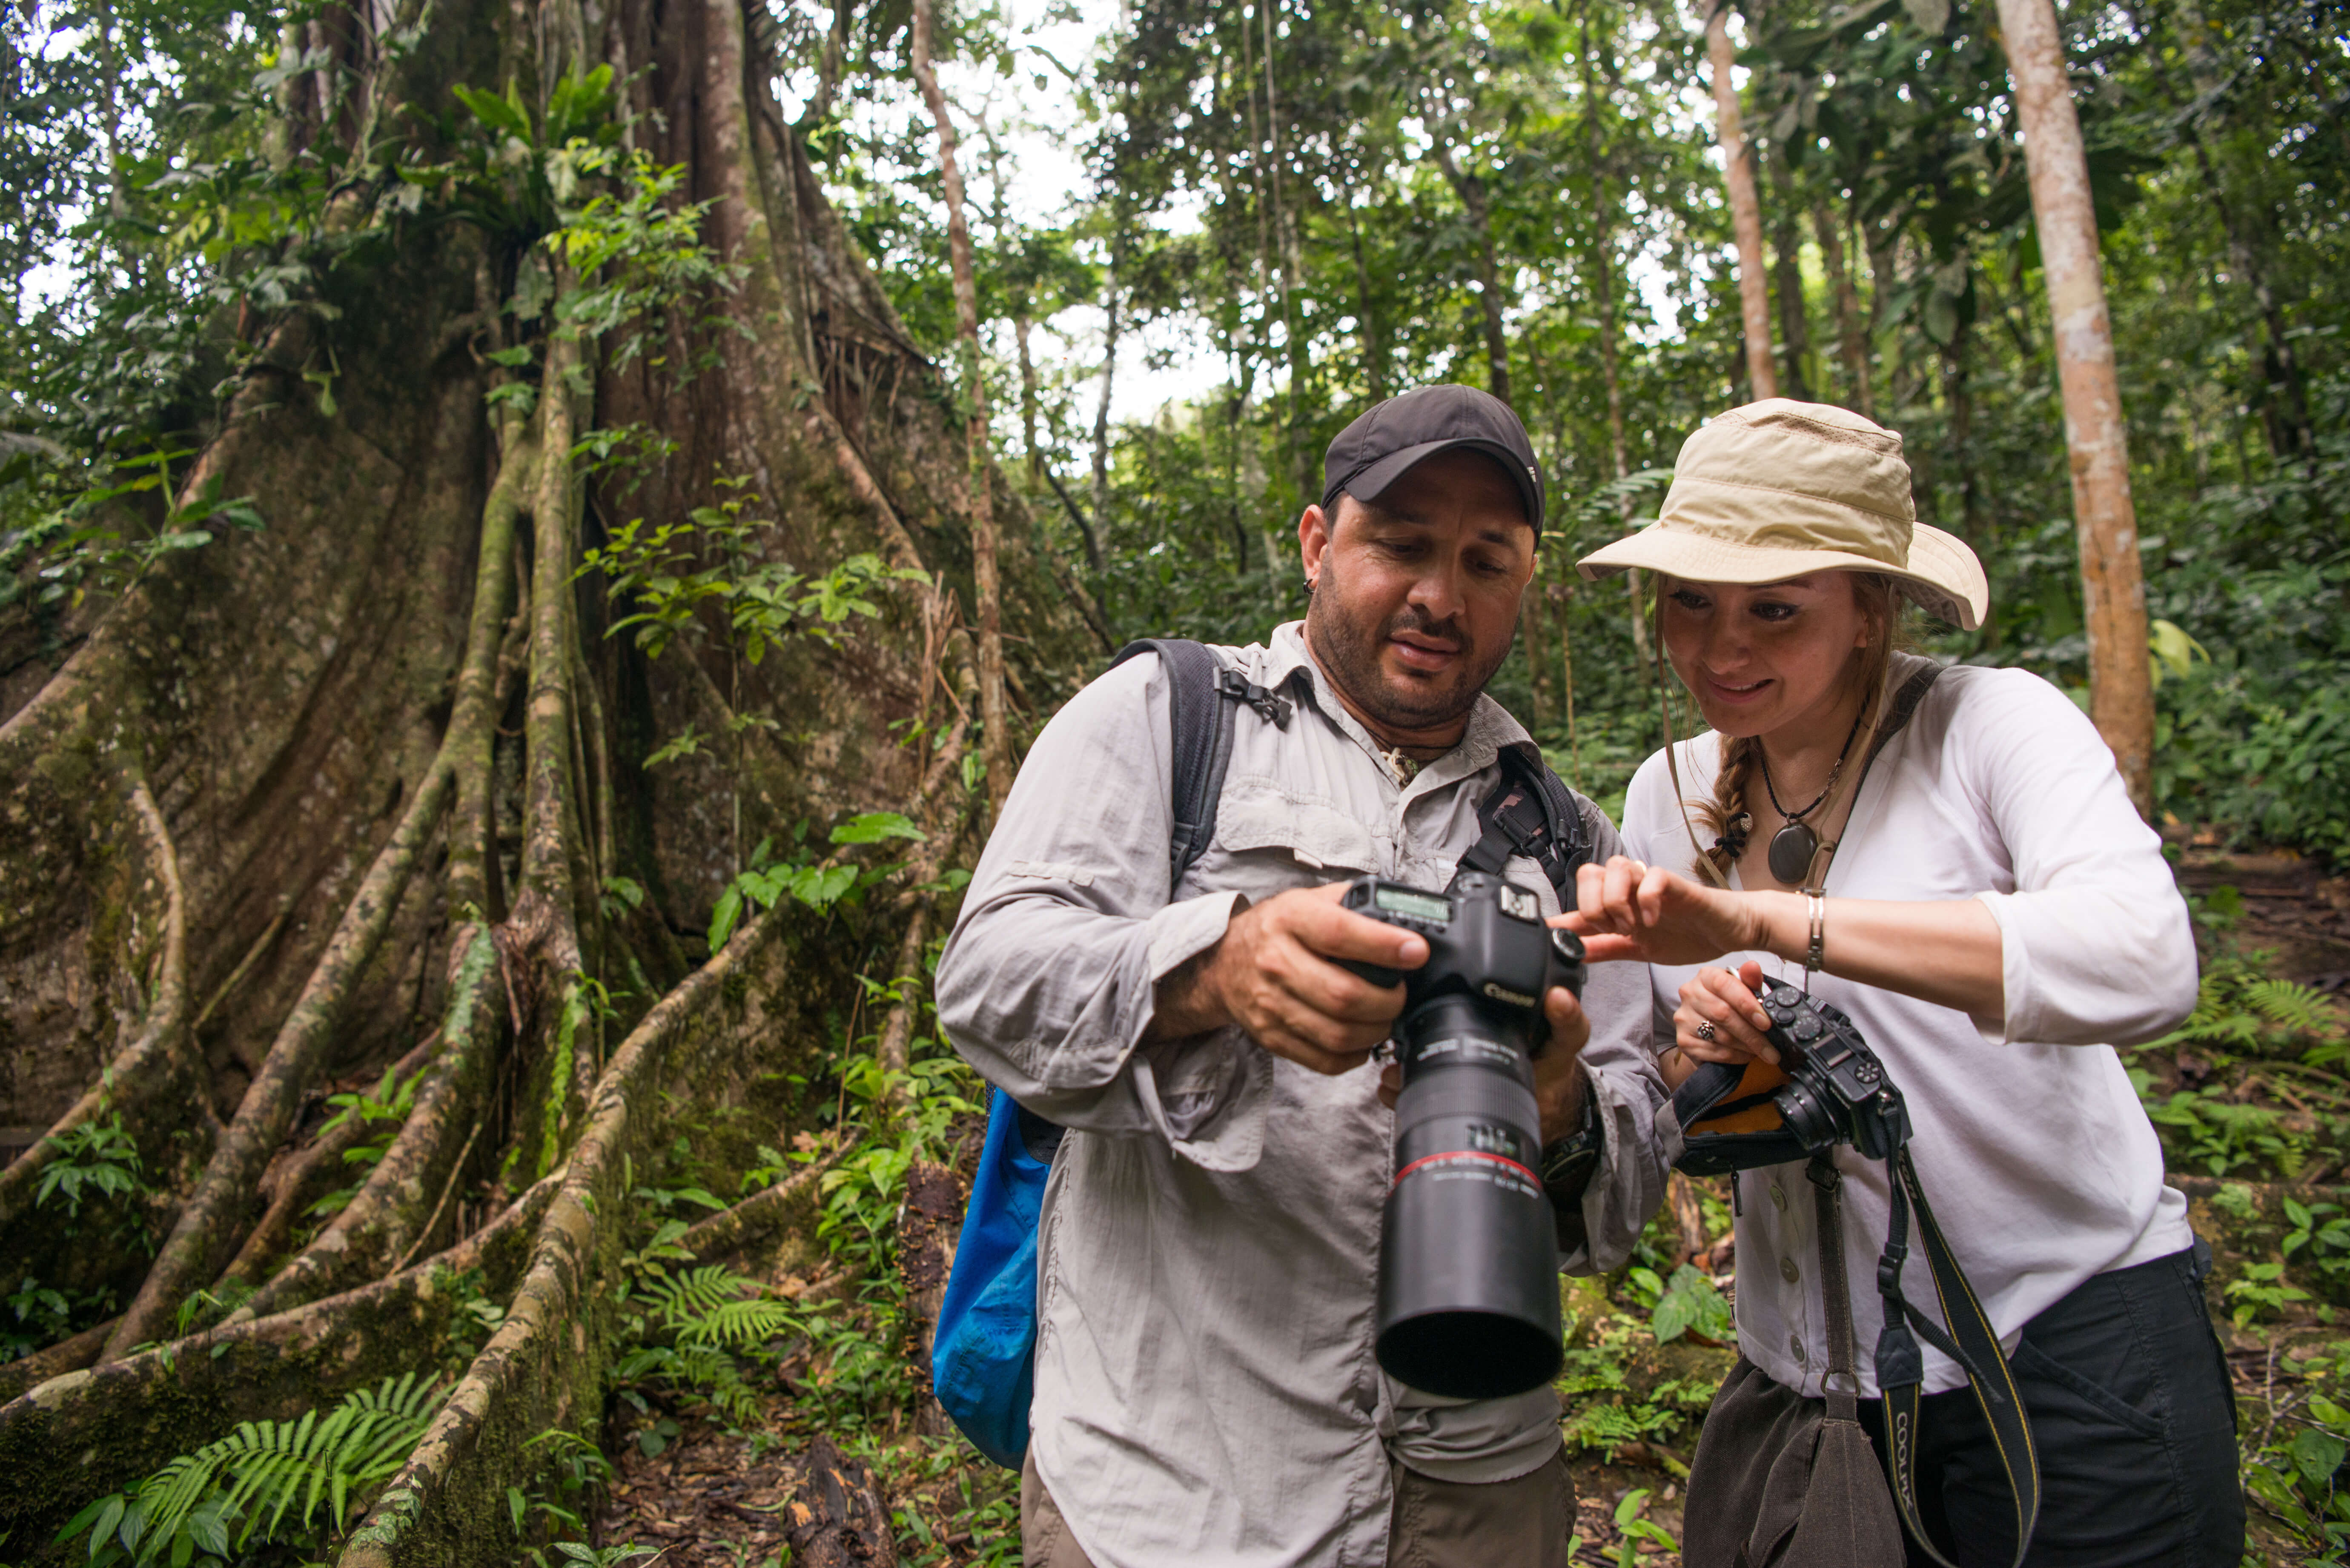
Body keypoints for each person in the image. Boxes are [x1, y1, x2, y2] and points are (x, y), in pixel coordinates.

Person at [934, 384, 1675, 1568]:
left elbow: (1633, 1187)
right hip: (1180, 1494)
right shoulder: (1166, 720)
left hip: (1478, 1494)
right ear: (1318, 544)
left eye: (1488, 561)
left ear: (1524, 586)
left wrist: (1562, 1115)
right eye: (1402, 544)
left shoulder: (1573, 841)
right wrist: (1216, 970)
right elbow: (986, 981)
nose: (1442, 595)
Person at [1563, 398, 2244, 1566]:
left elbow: (2143, 954)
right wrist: (1723, 1056)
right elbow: (1687, 1082)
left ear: (1871, 607)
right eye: (1693, 602)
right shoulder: (1664, 793)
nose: (1723, 649)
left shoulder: (1990, 728)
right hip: (1824, 1381)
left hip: (2067, 1349)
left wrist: (1763, 920)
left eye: (1776, 608)